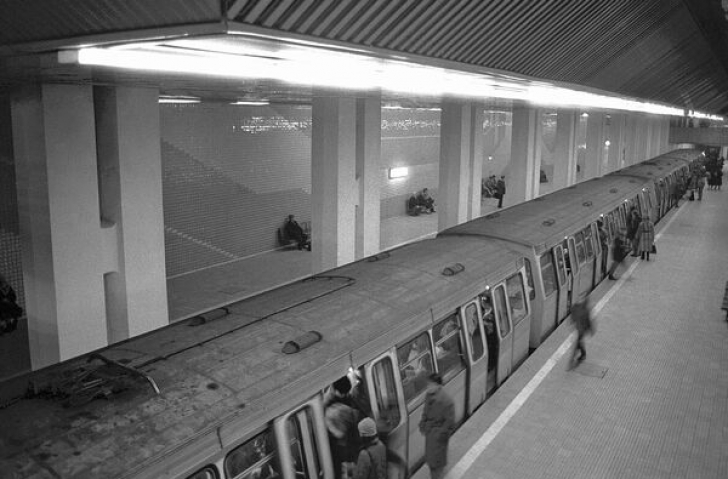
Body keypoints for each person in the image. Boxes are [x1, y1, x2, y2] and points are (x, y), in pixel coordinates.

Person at [419, 373, 455, 479]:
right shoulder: (429, 396)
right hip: (431, 435)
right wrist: (422, 424)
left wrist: (439, 435)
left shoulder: (447, 401)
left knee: (437, 465)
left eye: (430, 385)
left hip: (438, 437)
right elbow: (425, 412)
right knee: (432, 462)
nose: (427, 387)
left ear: (437, 385)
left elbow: (449, 423)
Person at [326, 377, 362, 479]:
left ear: (335, 390)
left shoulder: (330, 407)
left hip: (340, 452)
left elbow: (336, 433)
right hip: (353, 450)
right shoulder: (352, 402)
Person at [569, 297, 593, 369]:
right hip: (581, 329)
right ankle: (583, 354)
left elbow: (588, 321)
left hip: (582, 329)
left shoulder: (582, 309)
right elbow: (588, 321)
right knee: (579, 342)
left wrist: (590, 329)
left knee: (578, 343)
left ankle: (573, 359)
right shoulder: (583, 309)